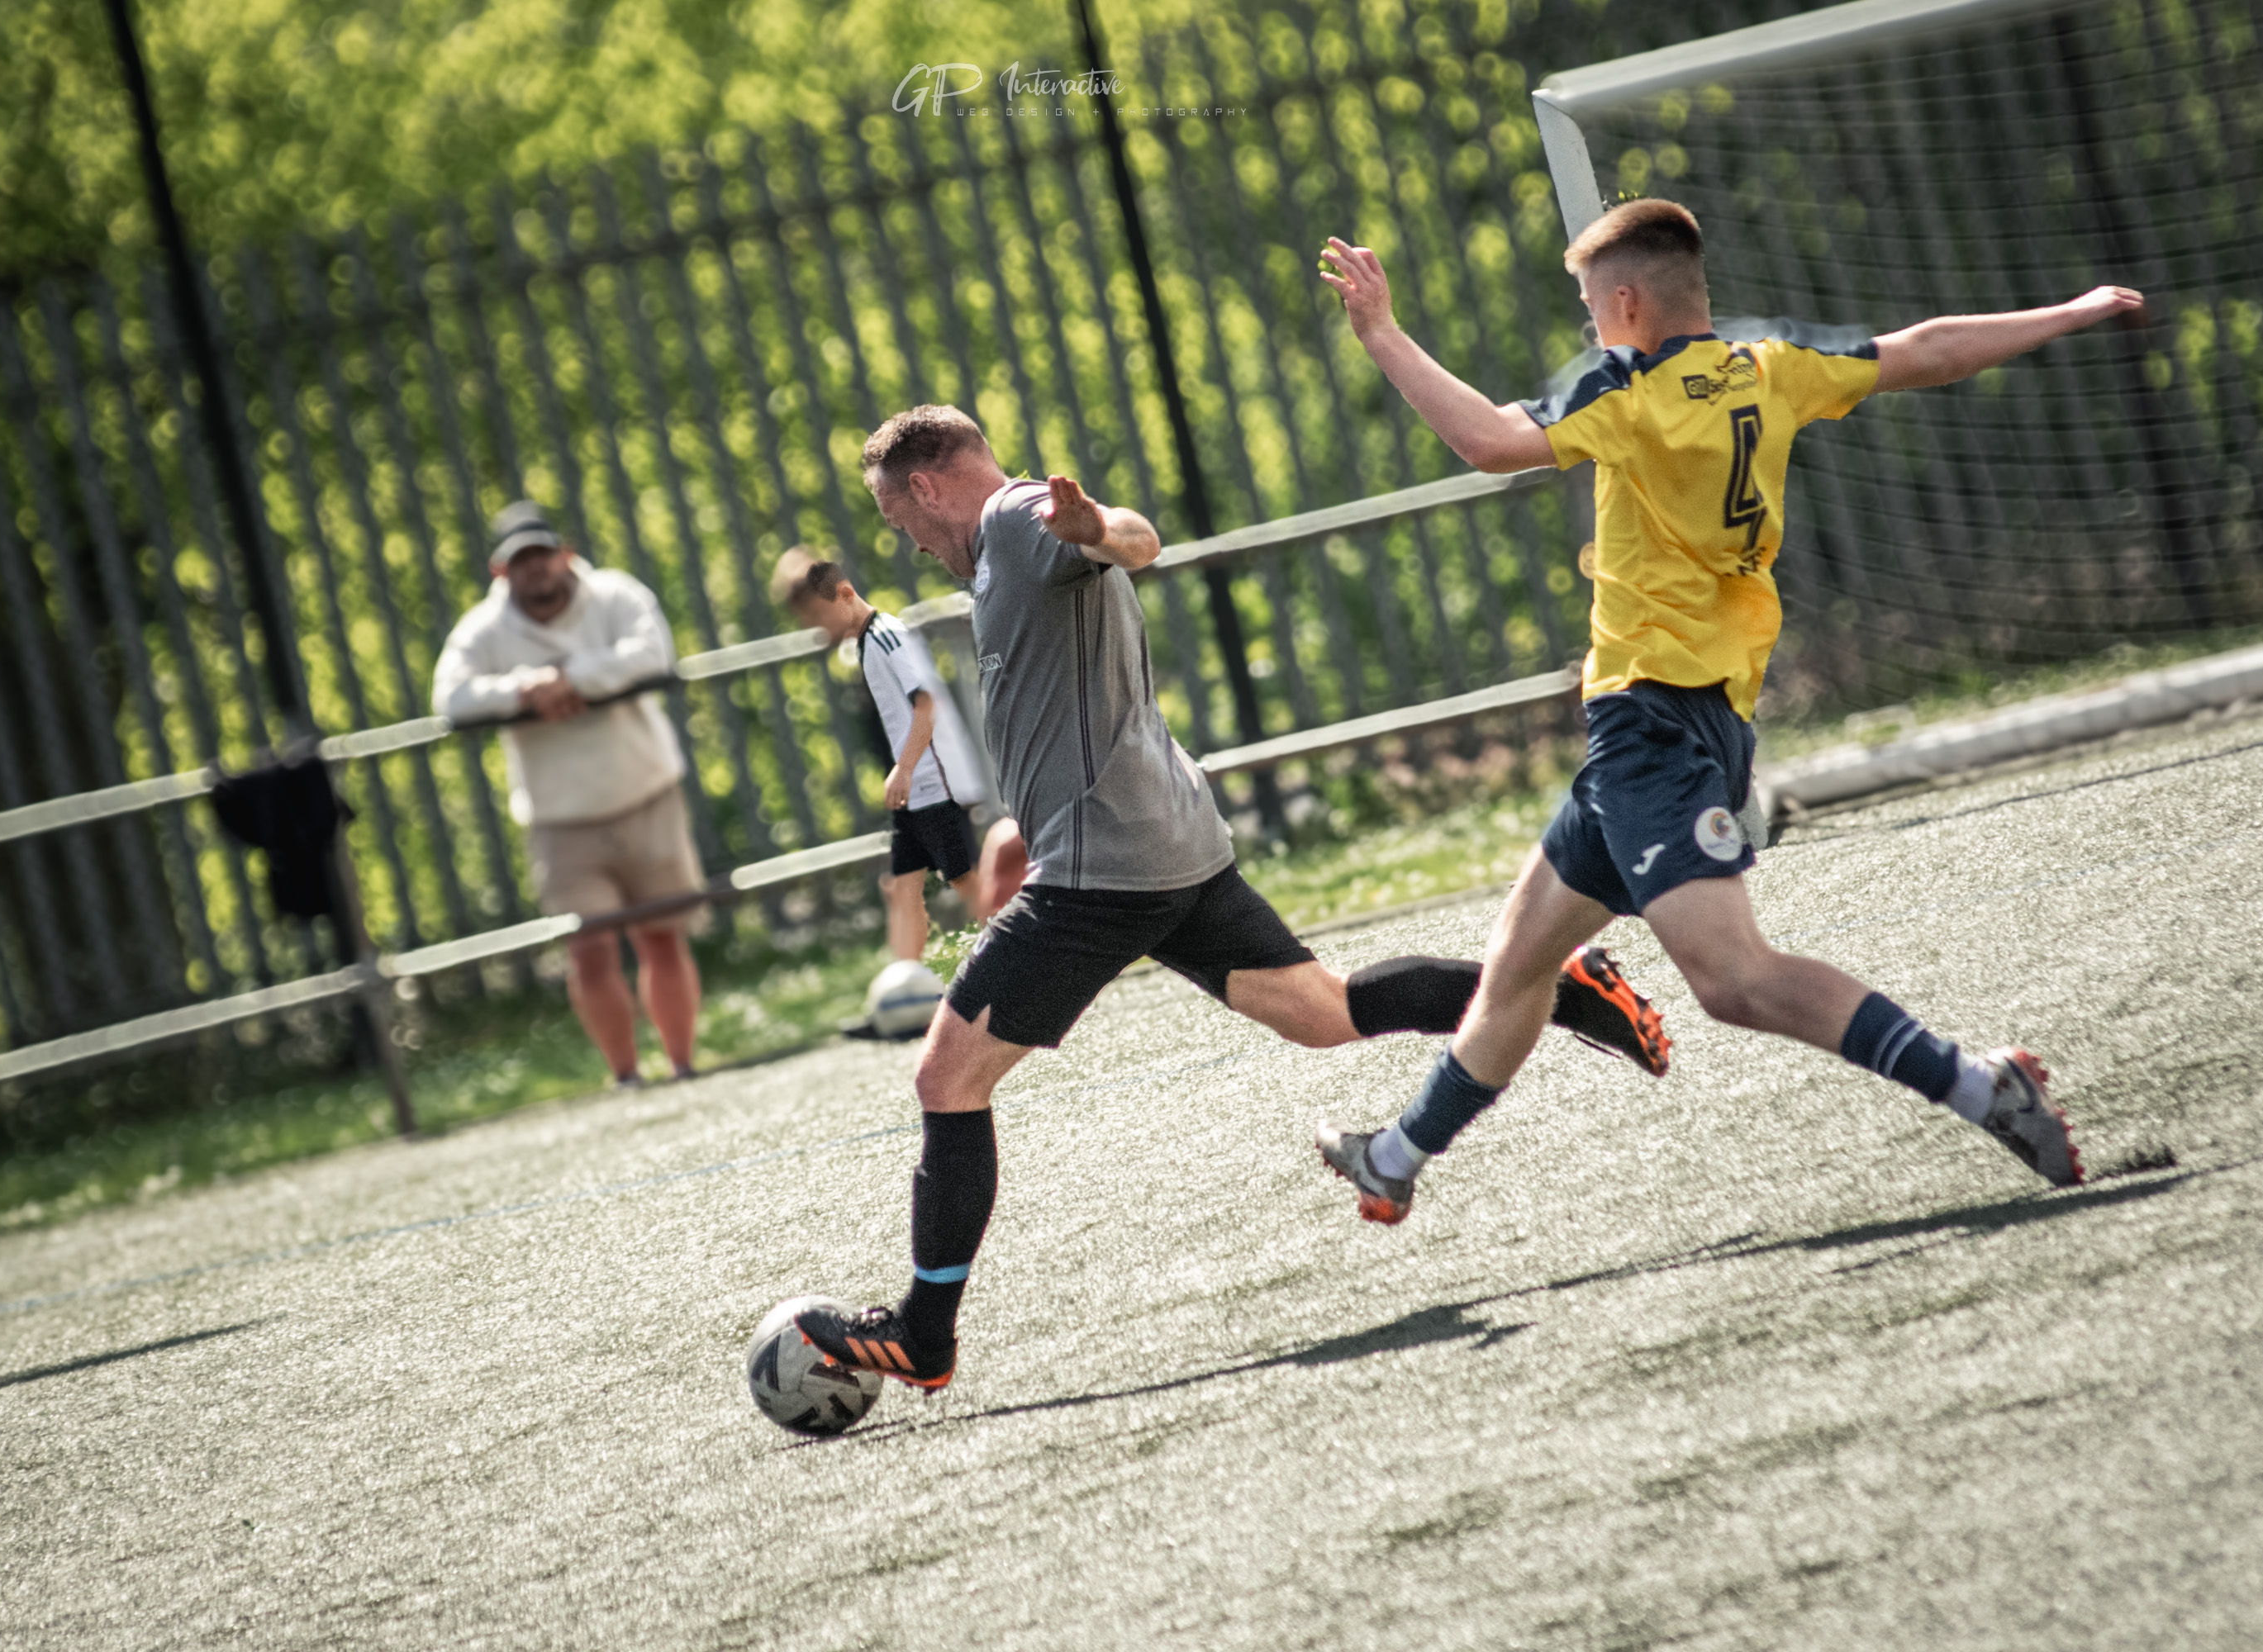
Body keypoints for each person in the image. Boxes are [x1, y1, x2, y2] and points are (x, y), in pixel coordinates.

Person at [792, 406, 1674, 1392]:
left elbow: (1134, 537)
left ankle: (924, 1332)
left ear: (924, 484)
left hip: (1102, 872)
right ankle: (1567, 986)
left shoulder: (1013, 519)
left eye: (894, 514)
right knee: (1325, 1012)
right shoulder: (1004, 549)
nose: (901, 540)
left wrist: (1096, 532)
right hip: (1166, 841)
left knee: (945, 1080)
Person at [1311, 199, 2137, 1222]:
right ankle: (1395, 1155)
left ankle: (1978, 1083)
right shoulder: (1769, 363)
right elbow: (1928, 351)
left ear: (1624, 302)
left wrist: (1382, 333)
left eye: (1588, 307)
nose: (1587, 328)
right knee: (1521, 960)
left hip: (1652, 723)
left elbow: (1485, 440)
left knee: (1733, 979)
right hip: (1687, 718)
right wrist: (2070, 310)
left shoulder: (1625, 385)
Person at [433, 500, 705, 1086]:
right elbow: (450, 699)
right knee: (589, 951)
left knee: (663, 936)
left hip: (646, 790)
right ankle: (626, 1077)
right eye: (521, 561)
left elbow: (652, 652)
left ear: (566, 554)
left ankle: (684, 1066)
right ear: (500, 571)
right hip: (561, 818)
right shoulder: (482, 631)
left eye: (543, 555)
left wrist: (571, 679)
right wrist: (524, 690)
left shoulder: (614, 593)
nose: (537, 570)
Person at [773, 548, 1001, 959]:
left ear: (844, 594)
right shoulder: (860, 647)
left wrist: (905, 769)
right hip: (914, 789)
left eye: (818, 618)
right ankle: (906, 988)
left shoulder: (887, 635)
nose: (818, 631)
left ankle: (1019, 956)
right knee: (902, 884)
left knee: (964, 876)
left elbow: (926, 703)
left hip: (934, 783)